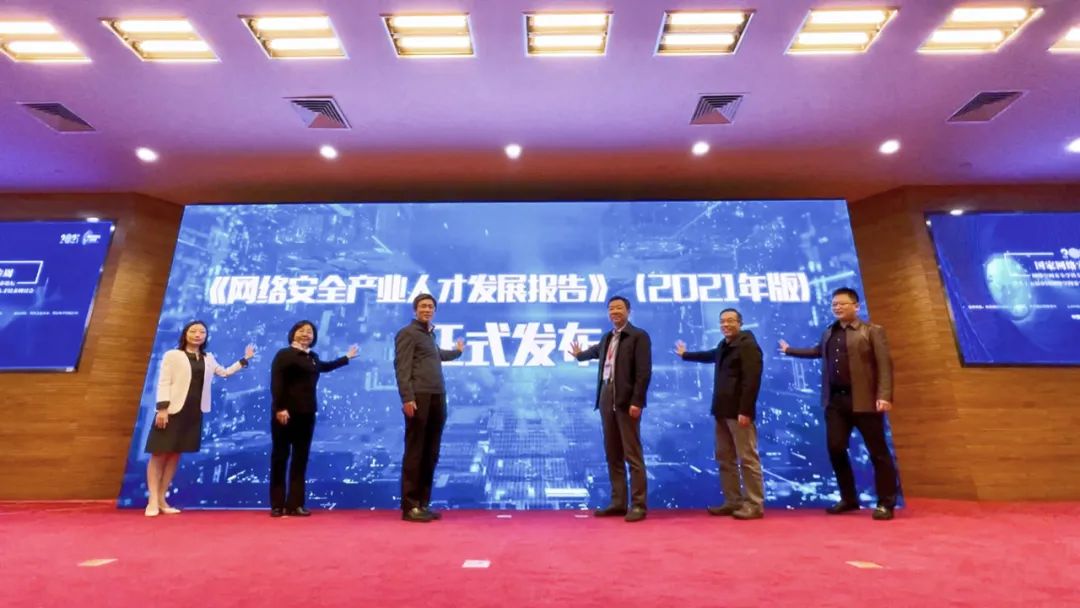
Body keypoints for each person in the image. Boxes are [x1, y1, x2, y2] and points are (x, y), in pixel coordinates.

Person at [779, 287, 899, 520]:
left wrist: (884, 395)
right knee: (835, 448)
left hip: (865, 400)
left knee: (878, 453)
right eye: (834, 304)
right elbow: (818, 352)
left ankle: (886, 503)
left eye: (842, 303)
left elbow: (885, 365)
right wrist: (790, 350)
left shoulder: (872, 331)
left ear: (856, 306)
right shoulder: (829, 332)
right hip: (835, 401)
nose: (837, 307)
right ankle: (849, 499)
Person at [145, 320, 254, 517]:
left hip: (193, 411)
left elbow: (224, 373)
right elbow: (164, 381)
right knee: (159, 453)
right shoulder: (173, 355)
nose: (197, 335)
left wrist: (244, 360)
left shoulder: (208, 358)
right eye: (193, 331)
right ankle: (152, 500)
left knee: (175, 454)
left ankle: (162, 498)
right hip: (171, 410)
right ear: (185, 334)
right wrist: (162, 408)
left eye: (202, 332)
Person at [675, 308, 765, 520]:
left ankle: (754, 504)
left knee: (747, 459)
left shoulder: (748, 345)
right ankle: (733, 501)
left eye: (730, 321)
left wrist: (745, 410)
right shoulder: (725, 345)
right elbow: (711, 356)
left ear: (740, 323)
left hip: (739, 413)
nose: (726, 324)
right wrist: (686, 355)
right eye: (722, 321)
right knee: (725, 458)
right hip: (722, 411)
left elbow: (752, 381)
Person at [569, 296, 652, 523]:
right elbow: (596, 352)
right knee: (612, 453)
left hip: (626, 399)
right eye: (611, 309)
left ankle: (638, 505)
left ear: (628, 311)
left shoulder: (638, 336)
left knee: (632, 454)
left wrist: (637, 401)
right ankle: (618, 503)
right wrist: (579, 355)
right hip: (606, 395)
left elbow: (643, 372)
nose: (614, 312)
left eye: (619, 308)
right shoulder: (608, 337)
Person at [269, 320, 358, 517]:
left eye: (309, 332)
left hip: (307, 413)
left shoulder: (313, 357)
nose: (305, 334)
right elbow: (277, 382)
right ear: (293, 333)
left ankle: (295, 504)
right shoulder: (284, 354)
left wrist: (346, 358)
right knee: (280, 458)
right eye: (301, 331)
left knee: (300, 459)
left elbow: (324, 367)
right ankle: (277, 504)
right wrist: (280, 408)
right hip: (285, 414)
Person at [393, 294, 464, 523]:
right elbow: (402, 367)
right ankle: (410, 506)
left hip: (437, 396)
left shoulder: (429, 335)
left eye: (430, 306)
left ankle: (422, 503)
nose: (427, 309)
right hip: (419, 397)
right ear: (415, 310)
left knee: (431, 452)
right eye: (423, 306)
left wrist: (458, 351)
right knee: (415, 450)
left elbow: (438, 355)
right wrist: (407, 397)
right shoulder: (407, 333)